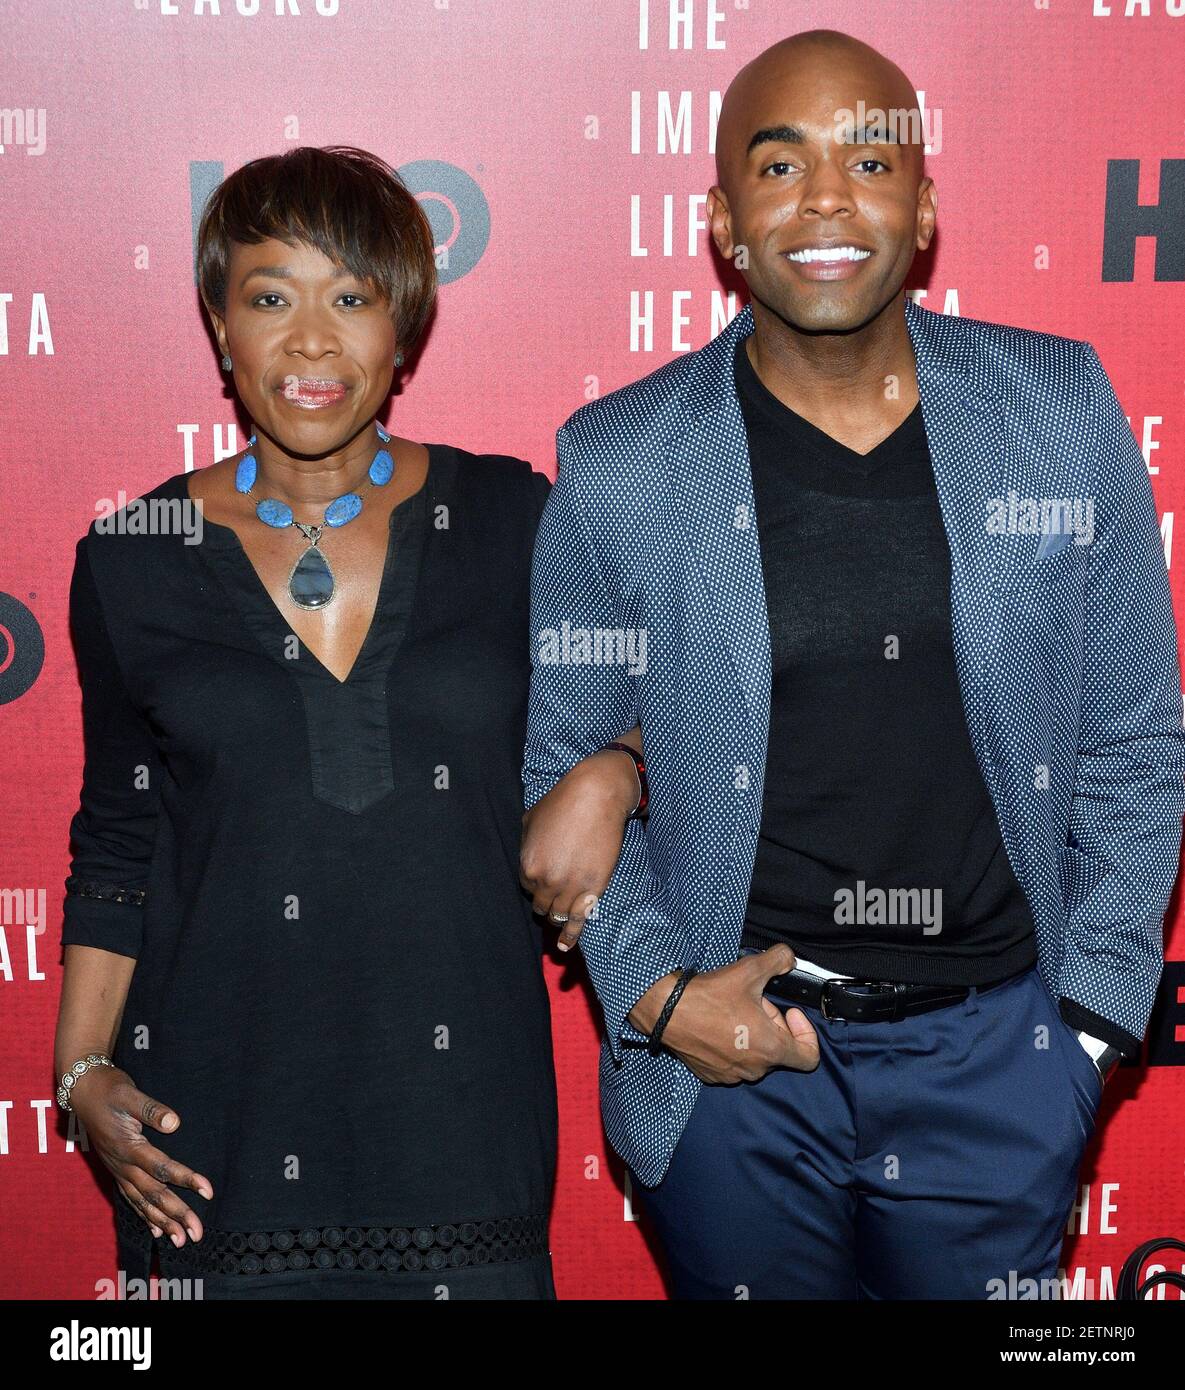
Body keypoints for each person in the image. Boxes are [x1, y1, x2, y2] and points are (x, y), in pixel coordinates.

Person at [521, 31, 1185, 1299]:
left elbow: (1135, 736)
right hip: (738, 1078)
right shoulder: (620, 464)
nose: (825, 198)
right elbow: (564, 764)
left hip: (999, 1054)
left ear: (923, 208)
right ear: (722, 221)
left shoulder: (1056, 408)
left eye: (868, 158)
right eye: (781, 164)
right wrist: (659, 998)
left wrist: (1089, 1024)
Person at [55, 145, 643, 1301]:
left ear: (404, 327)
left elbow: (680, 702)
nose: (312, 340)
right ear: (220, 325)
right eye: (270, 297)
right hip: (209, 1138)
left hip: (462, 1127)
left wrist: (621, 768)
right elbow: (117, 838)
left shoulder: (518, 520)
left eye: (352, 298)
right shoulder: (129, 560)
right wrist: (80, 1070)